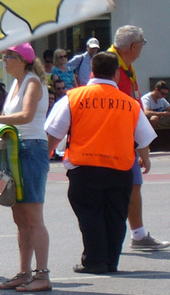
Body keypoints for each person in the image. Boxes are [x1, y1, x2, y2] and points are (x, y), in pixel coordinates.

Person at [45, 51, 156, 274]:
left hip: (85, 168)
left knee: (90, 215)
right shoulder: (130, 103)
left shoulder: (74, 97)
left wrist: (43, 159)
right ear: (116, 74)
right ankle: (111, 260)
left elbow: (53, 133)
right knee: (115, 216)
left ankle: (94, 260)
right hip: (119, 168)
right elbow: (143, 137)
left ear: (92, 71)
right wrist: (144, 157)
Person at [0, 43, 51, 292]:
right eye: (4, 56)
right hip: (15, 148)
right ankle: (24, 272)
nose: (4, 60)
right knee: (19, 216)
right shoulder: (17, 83)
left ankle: (42, 274)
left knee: (33, 215)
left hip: (31, 148)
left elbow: (26, 116)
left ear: (23, 59)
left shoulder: (33, 82)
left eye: (8, 56)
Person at [109, 26, 170, 250]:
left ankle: (136, 234)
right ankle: (136, 236)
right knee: (130, 186)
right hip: (118, 139)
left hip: (124, 138)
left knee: (132, 185)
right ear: (133, 46)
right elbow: (128, 109)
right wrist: (142, 148)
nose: (143, 46)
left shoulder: (122, 65)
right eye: (142, 42)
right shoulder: (114, 67)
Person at [140, 80, 170, 148]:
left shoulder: (161, 99)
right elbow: (146, 112)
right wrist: (162, 114)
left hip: (161, 120)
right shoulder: (146, 99)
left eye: (166, 94)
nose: (164, 96)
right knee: (154, 118)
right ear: (156, 89)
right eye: (163, 94)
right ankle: (150, 143)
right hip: (149, 122)